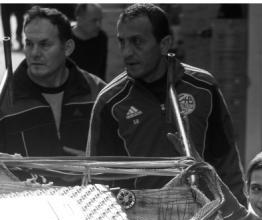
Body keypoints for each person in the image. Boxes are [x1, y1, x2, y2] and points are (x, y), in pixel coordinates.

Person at [86, 3, 245, 201]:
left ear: (164, 44)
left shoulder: (203, 87)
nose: (127, 52)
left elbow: (227, 159)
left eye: (137, 42)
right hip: (139, 217)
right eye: (122, 42)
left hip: (203, 214)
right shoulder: (110, 102)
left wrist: (239, 212)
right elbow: (97, 179)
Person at [0, 5, 105, 156]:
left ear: (67, 48)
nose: (34, 53)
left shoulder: (98, 94)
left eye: (44, 44)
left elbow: (118, 156)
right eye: (29, 44)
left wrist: (94, 163)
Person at [70, 3, 108, 80]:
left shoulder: (101, 37)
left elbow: (101, 71)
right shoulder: (66, 39)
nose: (99, 25)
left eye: (100, 20)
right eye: (94, 20)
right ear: (79, 20)